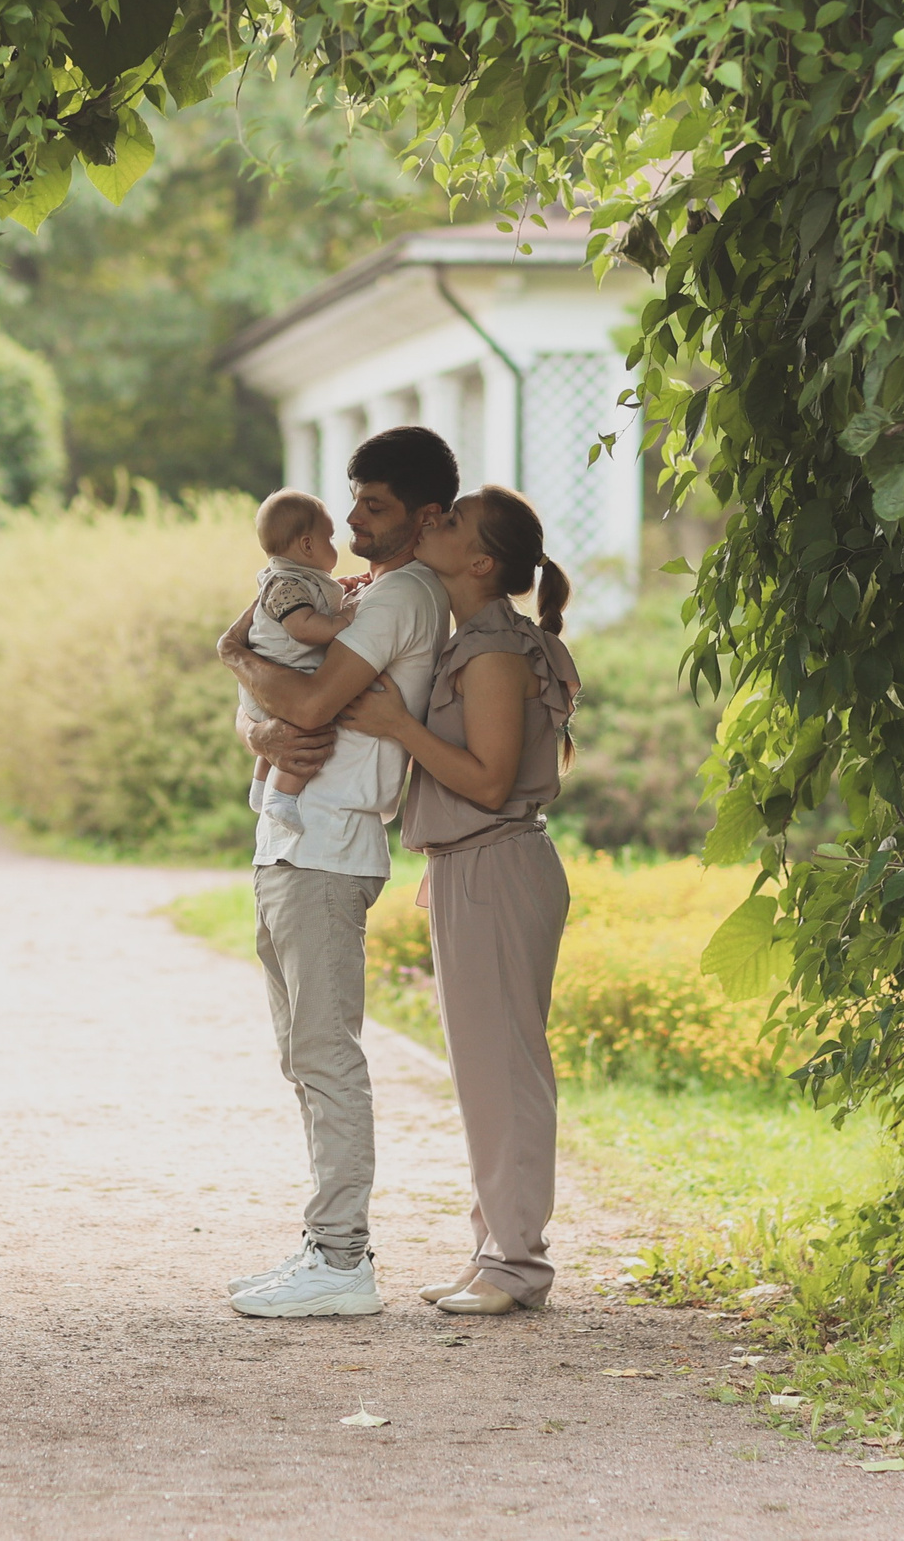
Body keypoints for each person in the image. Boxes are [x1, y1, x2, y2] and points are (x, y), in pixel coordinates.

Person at [214, 426, 458, 1319]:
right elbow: (285, 716)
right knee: (301, 1053)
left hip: (327, 848)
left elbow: (310, 700)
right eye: (352, 498)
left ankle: (344, 1256)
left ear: (428, 515)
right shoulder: (366, 593)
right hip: (292, 841)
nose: (353, 516)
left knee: (325, 1052)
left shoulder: (398, 599)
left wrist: (234, 658)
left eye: (377, 504)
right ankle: (326, 1243)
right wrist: (256, 720)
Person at [337, 485, 577, 1316]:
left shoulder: (495, 653)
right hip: (474, 866)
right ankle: (494, 1252)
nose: (431, 522)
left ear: (480, 562)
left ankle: (517, 1265)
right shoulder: (472, 639)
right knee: (483, 1072)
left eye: (452, 520)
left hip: (499, 866)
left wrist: (396, 727)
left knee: (505, 1071)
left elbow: (487, 778)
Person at [239, 490, 356, 833]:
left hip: (264, 687)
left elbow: (315, 602)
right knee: (308, 732)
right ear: (307, 545)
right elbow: (303, 627)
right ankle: (282, 797)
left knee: (274, 744)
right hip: (284, 680)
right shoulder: (286, 584)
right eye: (330, 537)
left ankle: (260, 789)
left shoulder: (293, 578)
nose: (336, 544)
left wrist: (340, 594)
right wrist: (342, 621)